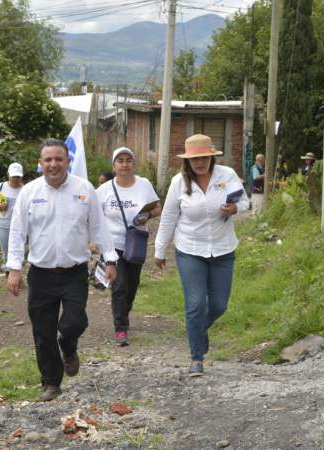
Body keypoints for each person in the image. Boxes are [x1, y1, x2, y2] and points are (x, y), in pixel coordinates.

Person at [6, 138, 118, 402]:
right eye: (48, 160)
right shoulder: (29, 193)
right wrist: (14, 268)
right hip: (41, 274)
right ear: (40, 163)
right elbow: (17, 232)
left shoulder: (84, 189)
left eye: (59, 159)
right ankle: (51, 382)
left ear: (68, 161)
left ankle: (69, 346)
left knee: (74, 322)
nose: (53, 164)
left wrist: (110, 258)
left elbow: (99, 227)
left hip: (74, 273)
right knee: (43, 332)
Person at [154, 134, 249, 377]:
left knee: (218, 305)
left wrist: (235, 208)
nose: (200, 163)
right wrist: (160, 249)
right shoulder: (178, 182)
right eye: (195, 159)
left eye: (204, 157)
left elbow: (246, 202)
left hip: (223, 249)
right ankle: (196, 357)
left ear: (211, 157)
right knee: (195, 304)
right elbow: (168, 217)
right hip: (190, 250)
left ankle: (198, 330)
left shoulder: (226, 176)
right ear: (187, 160)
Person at [96, 147, 161, 346]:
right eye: (120, 161)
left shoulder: (144, 185)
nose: (124, 164)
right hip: (112, 245)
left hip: (136, 243)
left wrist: (147, 215)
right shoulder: (104, 190)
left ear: (133, 163)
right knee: (119, 286)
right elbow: (94, 217)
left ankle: (124, 313)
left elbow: (158, 208)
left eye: (128, 160)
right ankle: (120, 329)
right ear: (114, 165)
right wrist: (93, 241)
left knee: (132, 286)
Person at [0, 163, 25, 272]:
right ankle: (7, 271)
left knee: (17, 250)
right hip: (2, 223)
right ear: (8, 175)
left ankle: (15, 271)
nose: (15, 179)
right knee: (5, 250)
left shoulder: (25, 189)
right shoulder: (0, 186)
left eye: (18, 177)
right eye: (13, 176)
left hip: (19, 225)